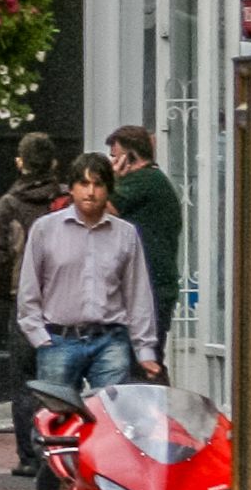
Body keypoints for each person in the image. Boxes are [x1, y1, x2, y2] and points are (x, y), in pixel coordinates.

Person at [17, 155, 160, 410]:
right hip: (59, 338)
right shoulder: (45, 229)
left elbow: (138, 294)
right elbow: (29, 288)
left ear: (108, 190)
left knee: (112, 420)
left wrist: (144, 349)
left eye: (98, 184)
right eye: (83, 184)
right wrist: (39, 336)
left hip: (110, 340)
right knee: (55, 422)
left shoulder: (125, 234)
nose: (91, 192)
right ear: (71, 188)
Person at [0, 136, 66, 472]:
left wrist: (7, 291)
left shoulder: (9, 204)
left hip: (23, 301)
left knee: (24, 380)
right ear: (53, 164)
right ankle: (58, 450)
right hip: (64, 298)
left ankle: (29, 456)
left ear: (21, 163)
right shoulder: (65, 200)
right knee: (60, 379)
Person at [104, 128, 186, 366]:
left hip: (150, 285)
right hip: (152, 284)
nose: (112, 161)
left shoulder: (143, 181)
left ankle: (157, 399)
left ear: (130, 156)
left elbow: (107, 206)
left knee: (144, 360)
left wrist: (112, 178)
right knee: (146, 358)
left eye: (115, 156)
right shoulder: (154, 179)